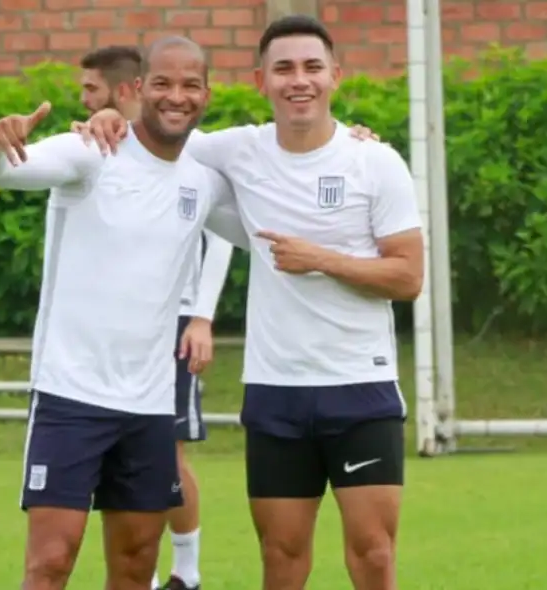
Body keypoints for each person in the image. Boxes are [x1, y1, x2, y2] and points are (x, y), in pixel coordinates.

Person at [77, 15, 423, 590]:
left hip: (360, 389)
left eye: (312, 67)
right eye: (283, 69)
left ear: (335, 76)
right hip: (276, 391)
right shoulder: (237, 150)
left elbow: (409, 276)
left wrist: (323, 258)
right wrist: (115, 115)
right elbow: (162, 134)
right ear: (260, 80)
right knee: (282, 559)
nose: (299, 81)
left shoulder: (374, 162)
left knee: (374, 555)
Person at [0, 36, 249, 590]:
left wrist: (351, 146)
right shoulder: (92, 151)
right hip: (70, 395)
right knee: (50, 562)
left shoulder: (203, 178)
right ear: (138, 89)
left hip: (148, 406)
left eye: (190, 85)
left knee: (137, 560)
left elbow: (273, 220)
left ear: (206, 95)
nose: (176, 96)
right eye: (162, 83)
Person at [76, 44, 235, 590]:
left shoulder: (198, 151)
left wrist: (201, 317)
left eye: (92, 91)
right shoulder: (100, 152)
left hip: (174, 325)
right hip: (111, 336)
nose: (84, 100)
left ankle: (185, 571)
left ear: (125, 90)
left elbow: (222, 234)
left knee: (167, 450)